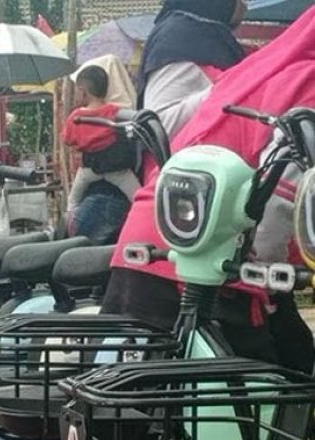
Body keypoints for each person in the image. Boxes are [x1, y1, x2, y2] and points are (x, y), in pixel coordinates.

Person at [101, 6, 315, 373]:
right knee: (262, 410)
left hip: (158, 242)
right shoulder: (307, 84)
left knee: (142, 409)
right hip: (197, 259)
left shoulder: (269, 70)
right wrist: (271, 274)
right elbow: (281, 199)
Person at [138, 0, 247, 139]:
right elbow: (161, 124)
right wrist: (228, 89)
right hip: (188, 157)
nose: (244, 7)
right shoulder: (182, 39)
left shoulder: (208, 37)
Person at [62, 65, 140, 222]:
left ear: (82, 91)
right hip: (118, 171)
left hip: (88, 171)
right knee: (139, 197)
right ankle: (140, 222)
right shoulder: (114, 112)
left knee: (72, 202)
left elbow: (67, 139)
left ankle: (71, 224)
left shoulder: (76, 117)